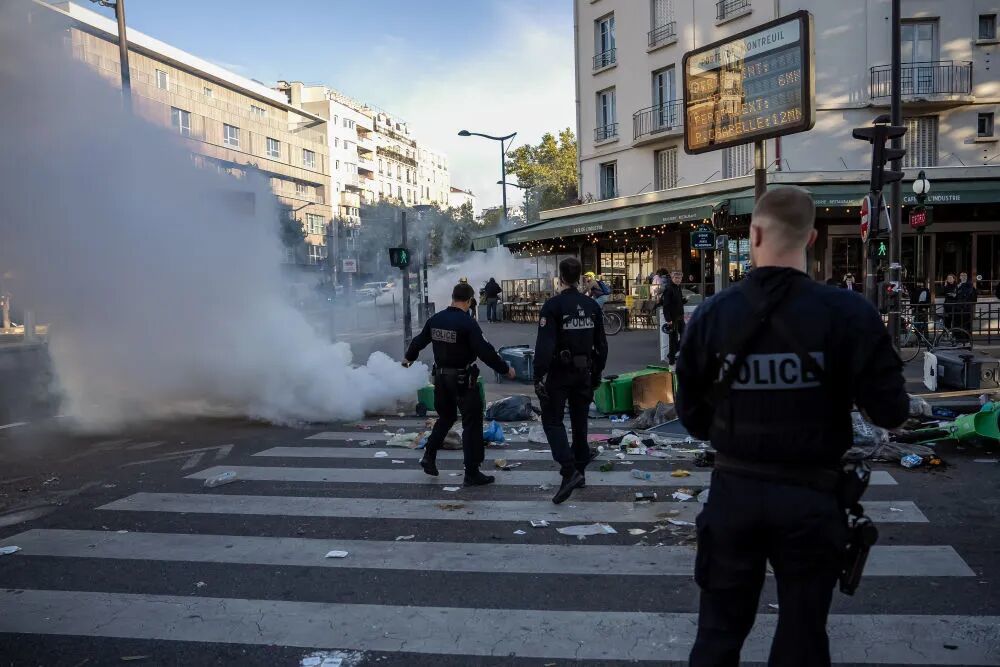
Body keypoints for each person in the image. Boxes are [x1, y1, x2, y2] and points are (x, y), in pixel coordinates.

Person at [676, 187, 909, 667]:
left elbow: (692, 418)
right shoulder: (849, 314)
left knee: (718, 633)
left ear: (755, 233)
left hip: (734, 492)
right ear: (813, 238)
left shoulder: (714, 314)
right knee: (803, 635)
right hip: (813, 496)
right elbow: (891, 412)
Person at [403, 282, 515, 486]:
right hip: (463, 380)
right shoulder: (467, 323)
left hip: (441, 379)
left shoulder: (436, 319)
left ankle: (429, 455)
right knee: (471, 423)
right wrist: (505, 369)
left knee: (445, 417)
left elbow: (418, 341)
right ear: (470, 301)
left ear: (452, 297)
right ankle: (472, 471)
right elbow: (485, 351)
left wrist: (408, 358)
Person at [534, 257, 608, 505]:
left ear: (561, 278)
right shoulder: (592, 306)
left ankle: (569, 471)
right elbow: (602, 345)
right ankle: (581, 472)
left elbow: (544, 346)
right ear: (578, 278)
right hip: (584, 371)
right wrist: (596, 373)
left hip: (559, 372)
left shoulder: (553, 306)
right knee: (580, 423)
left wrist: (538, 376)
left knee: (553, 421)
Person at [660, 270, 686, 366]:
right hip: (673, 319)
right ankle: (671, 360)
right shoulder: (669, 289)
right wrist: (668, 319)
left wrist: (684, 300)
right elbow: (666, 305)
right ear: (672, 278)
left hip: (680, 317)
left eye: (679, 278)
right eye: (676, 278)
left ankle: (670, 355)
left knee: (685, 336)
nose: (678, 279)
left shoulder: (678, 288)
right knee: (673, 339)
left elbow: (677, 302)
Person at [957, 270, 977, 335]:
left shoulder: (969, 284)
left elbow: (970, 294)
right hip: (958, 307)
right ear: (959, 277)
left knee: (967, 323)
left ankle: (967, 338)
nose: (963, 277)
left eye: (965, 275)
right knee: (959, 323)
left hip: (966, 306)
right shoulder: (958, 284)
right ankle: (959, 338)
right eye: (962, 275)